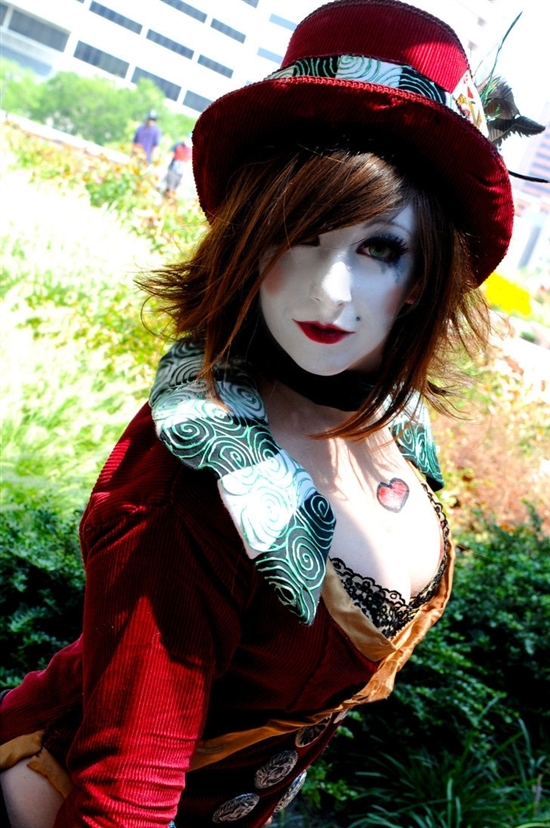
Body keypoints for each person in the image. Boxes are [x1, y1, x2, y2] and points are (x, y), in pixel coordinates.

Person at [0, 0, 539, 825]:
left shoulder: (385, 417)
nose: (330, 291)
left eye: (380, 248)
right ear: (250, 239)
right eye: (297, 235)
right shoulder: (193, 477)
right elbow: (127, 794)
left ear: (426, 275)